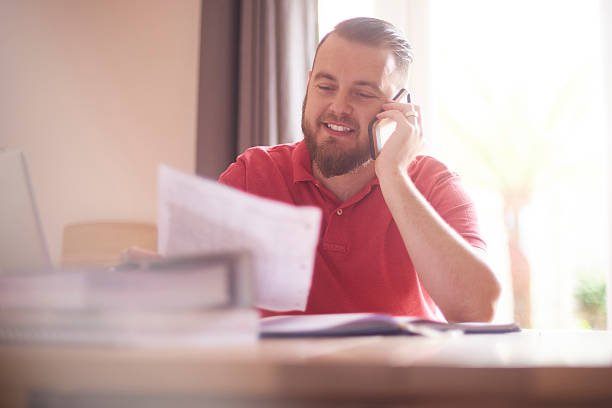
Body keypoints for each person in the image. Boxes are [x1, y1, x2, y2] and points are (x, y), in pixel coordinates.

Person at [126, 17, 500, 322]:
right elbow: (195, 298)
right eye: (326, 85)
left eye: (363, 93)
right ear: (308, 87)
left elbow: (477, 309)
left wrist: (394, 176)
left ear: (399, 111)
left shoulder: (434, 184)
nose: (338, 106)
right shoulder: (252, 174)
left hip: (397, 392)